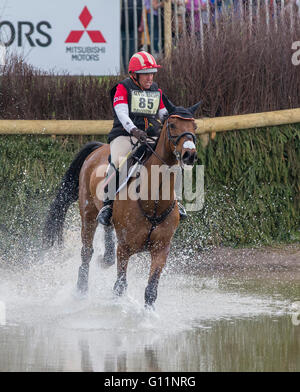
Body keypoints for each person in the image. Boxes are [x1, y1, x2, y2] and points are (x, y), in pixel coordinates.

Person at [97, 50, 187, 226]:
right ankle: (107, 205)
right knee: (118, 160)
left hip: (150, 137)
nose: (150, 78)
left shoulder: (156, 90)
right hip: (124, 136)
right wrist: (134, 130)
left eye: (152, 73)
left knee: (172, 160)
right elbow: (121, 113)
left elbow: (163, 113)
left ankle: (177, 201)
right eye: (145, 74)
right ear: (134, 75)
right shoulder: (123, 88)